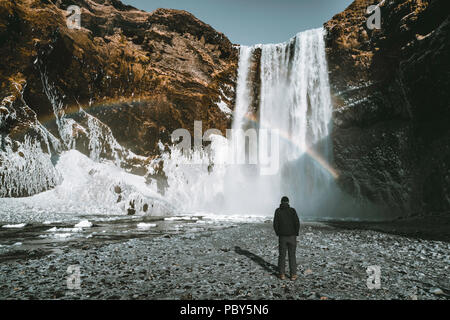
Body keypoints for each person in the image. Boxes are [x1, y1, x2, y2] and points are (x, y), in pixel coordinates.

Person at [273, 196, 300, 280]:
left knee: (282, 256)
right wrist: (296, 233)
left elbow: (275, 224)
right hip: (292, 236)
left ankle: (282, 274)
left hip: (282, 237)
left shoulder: (278, 211)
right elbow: (297, 223)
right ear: (288, 202)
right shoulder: (292, 210)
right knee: (292, 256)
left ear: (281, 202)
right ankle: (293, 275)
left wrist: (278, 233)